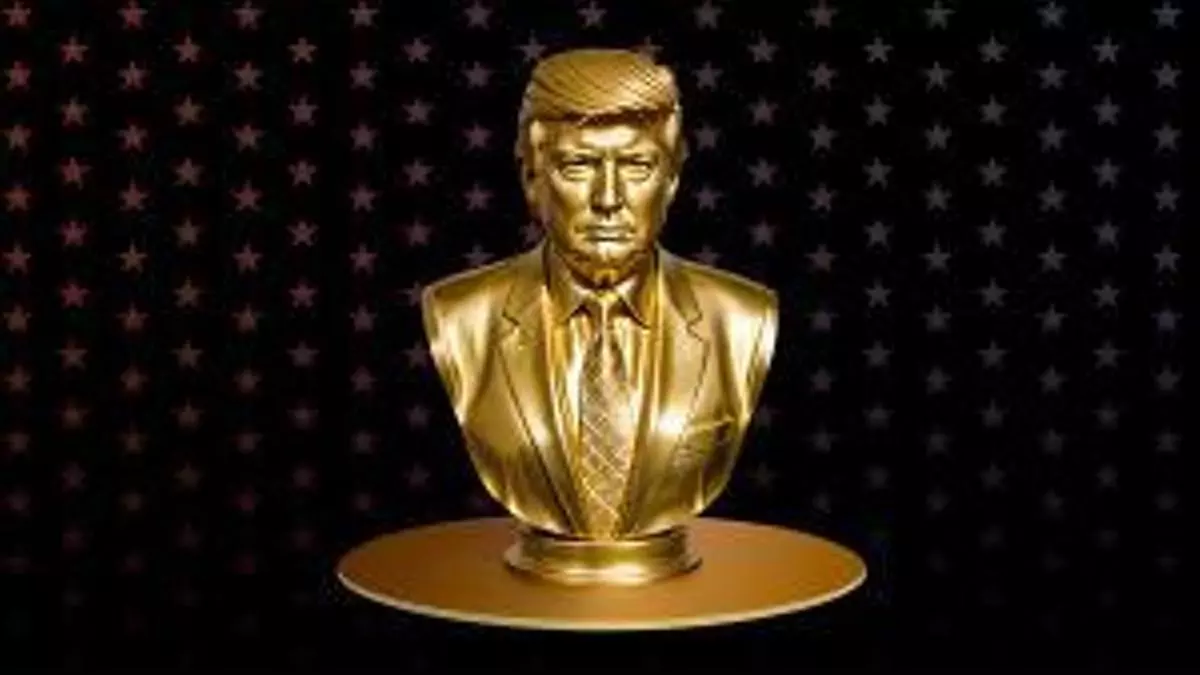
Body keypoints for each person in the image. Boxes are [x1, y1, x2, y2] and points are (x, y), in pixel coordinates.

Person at [421, 48, 777, 582]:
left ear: (672, 180)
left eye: (637, 166)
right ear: (532, 178)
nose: (608, 199)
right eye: (578, 166)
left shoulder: (743, 318)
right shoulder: (460, 316)